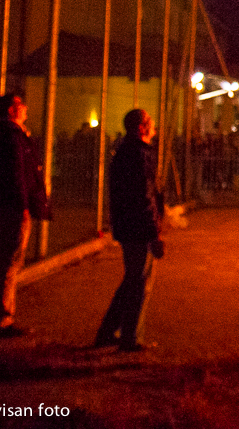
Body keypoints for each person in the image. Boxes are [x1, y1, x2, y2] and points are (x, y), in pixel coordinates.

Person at [0, 92, 50, 337]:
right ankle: (3, 318)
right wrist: (23, 205)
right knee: (9, 262)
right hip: (12, 208)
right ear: (11, 110)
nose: (25, 107)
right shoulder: (12, 137)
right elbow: (17, 172)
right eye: (20, 104)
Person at [95, 109, 165, 352]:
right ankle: (130, 338)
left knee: (132, 280)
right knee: (138, 283)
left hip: (128, 224)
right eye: (150, 122)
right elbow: (144, 196)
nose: (154, 125)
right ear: (141, 127)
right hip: (138, 227)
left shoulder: (127, 151)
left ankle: (108, 331)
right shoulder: (138, 155)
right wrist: (154, 231)